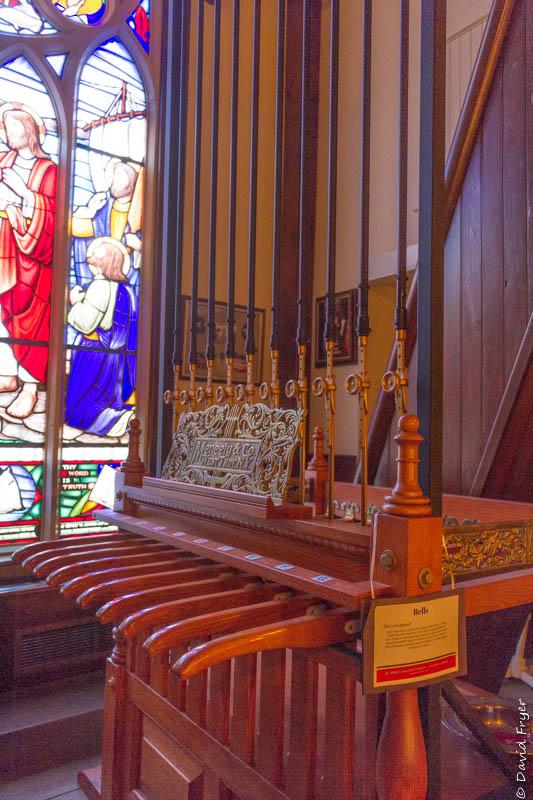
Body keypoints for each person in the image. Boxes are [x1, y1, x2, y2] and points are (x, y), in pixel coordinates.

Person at [0, 104, 57, 419]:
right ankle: (7, 374)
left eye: (14, 126)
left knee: (31, 321)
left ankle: (30, 387)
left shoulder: (49, 171)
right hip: (2, 245)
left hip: (32, 258)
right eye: (5, 126)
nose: (8, 132)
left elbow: (53, 218)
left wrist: (24, 194)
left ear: (30, 130)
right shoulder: (3, 161)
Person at [65, 236, 138, 438]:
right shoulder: (127, 289)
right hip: (117, 358)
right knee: (104, 397)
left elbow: (86, 323)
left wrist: (75, 302)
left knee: (79, 408)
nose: (90, 257)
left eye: (95, 254)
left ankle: (117, 421)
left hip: (94, 354)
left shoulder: (100, 286)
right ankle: (121, 417)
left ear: (105, 261)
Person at [72, 160, 142, 292]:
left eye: (121, 176)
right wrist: (89, 210)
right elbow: (74, 228)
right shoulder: (104, 208)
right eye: (115, 174)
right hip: (101, 276)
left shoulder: (140, 216)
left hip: (129, 278)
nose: (115, 179)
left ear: (133, 183)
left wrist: (140, 246)